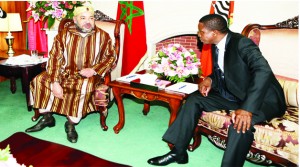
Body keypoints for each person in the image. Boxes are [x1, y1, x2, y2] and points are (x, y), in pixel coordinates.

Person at [147, 14, 286, 167]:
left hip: (263, 99)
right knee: (194, 99)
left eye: (201, 32)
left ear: (214, 33)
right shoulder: (217, 43)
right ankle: (178, 152)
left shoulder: (242, 43)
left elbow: (262, 71)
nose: (198, 35)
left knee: (239, 124)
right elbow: (226, 69)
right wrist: (210, 79)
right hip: (235, 93)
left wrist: (247, 109)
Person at [25, 5, 116, 143]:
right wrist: (55, 81)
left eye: (91, 18)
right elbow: (55, 57)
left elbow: (111, 57)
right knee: (39, 80)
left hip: (88, 75)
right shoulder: (63, 35)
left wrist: (94, 69)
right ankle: (47, 117)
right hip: (64, 71)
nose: (88, 21)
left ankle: (71, 123)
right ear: (75, 20)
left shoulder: (103, 36)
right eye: (83, 18)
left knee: (82, 87)